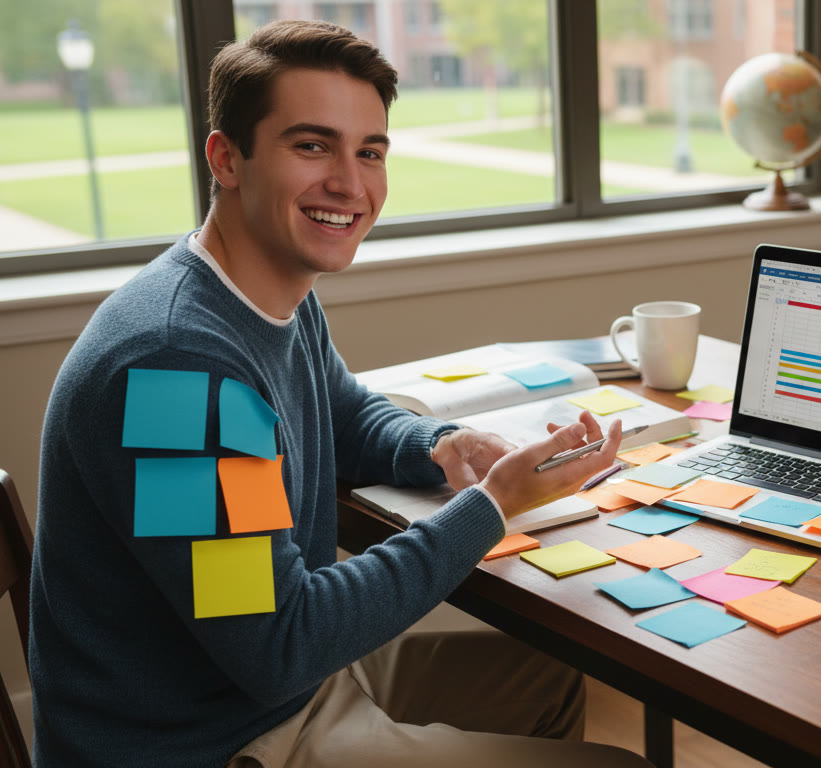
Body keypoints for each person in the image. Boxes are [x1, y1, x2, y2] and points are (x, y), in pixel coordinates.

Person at [29, 19, 651, 768]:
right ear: (227, 159)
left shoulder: (269, 291)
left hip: (272, 691)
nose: (350, 185)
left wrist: (441, 446)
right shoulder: (176, 373)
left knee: (543, 679)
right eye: (312, 145)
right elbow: (280, 644)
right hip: (215, 740)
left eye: (371, 152)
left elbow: (343, 411)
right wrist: (488, 506)